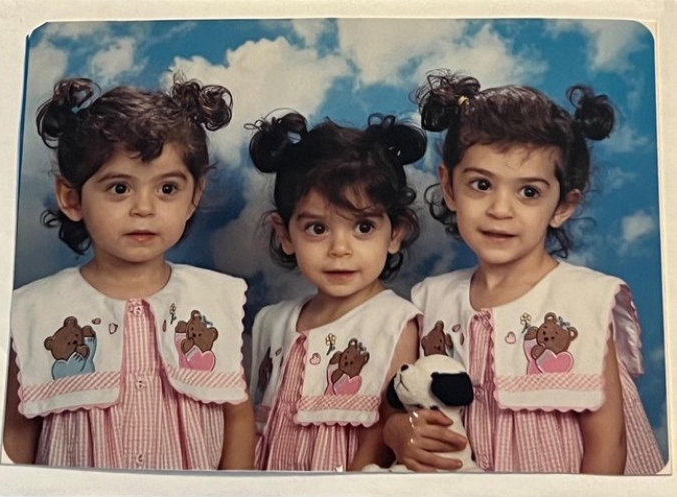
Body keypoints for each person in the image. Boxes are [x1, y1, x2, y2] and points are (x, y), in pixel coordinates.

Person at [383, 70, 665, 474]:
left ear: (563, 206)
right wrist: (398, 431)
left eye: (529, 192)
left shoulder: (583, 300)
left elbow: (610, 444)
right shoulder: (431, 299)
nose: (501, 209)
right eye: (481, 184)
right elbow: (397, 400)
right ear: (449, 186)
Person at [3, 75, 255, 470]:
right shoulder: (36, 309)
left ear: (195, 196)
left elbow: (237, 417)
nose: (144, 208)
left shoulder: (215, 300)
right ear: (71, 198)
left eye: (167, 189)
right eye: (120, 188)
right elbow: (18, 432)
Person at [248, 111, 426, 471]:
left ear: (395, 234)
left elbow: (383, 433)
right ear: (285, 234)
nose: (339, 249)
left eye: (363, 227)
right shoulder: (271, 321)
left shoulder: (395, 322)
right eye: (317, 228)